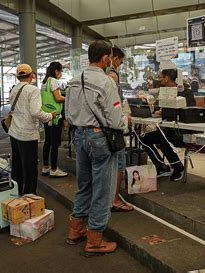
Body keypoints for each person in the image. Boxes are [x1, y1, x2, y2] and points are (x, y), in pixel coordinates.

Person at [65, 40, 128, 256]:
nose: (111, 60)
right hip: (99, 138)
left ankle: (76, 229)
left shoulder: (73, 80)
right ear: (104, 58)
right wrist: (125, 124)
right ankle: (95, 240)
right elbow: (115, 118)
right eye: (110, 56)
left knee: (84, 185)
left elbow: (67, 113)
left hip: (79, 136)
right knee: (103, 189)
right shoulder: (106, 81)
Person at [9, 64, 55, 195]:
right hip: (27, 134)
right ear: (31, 75)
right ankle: (30, 197)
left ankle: (16, 195)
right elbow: (35, 112)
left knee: (17, 166)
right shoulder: (33, 90)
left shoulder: (14, 89)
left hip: (14, 132)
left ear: (18, 77)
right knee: (30, 168)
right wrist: (49, 116)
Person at [142, 68, 193, 181]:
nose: (159, 79)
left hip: (181, 130)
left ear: (167, 78)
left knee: (164, 141)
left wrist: (172, 111)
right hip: (167, 128)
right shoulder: (163, 92)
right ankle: (161, 167)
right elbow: (156, 108)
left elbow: (191, 111)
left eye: (161, 77)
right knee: (144, 139)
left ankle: (178, 167)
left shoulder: (185, 92)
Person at [106, 47, 133, 213]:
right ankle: (114, 200)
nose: (121, 64)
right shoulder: (112, 76)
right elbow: (114, 104)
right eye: (120, 61)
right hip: (113, 128)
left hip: (100, 128)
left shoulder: (98, 76)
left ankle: (109, 198)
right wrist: (123, 121)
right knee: (119, 164)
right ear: (113, 58)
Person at [41, 61, 68, 178]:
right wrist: (68, 98)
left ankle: (46, 166)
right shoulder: (53, 81)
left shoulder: (44, 82)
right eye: (61, 71)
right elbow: (57, 98)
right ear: (56, 71)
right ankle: (54, 168)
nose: (61, 74)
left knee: (47, 141)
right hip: (55, 115)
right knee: (55, 143)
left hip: (46, 114)